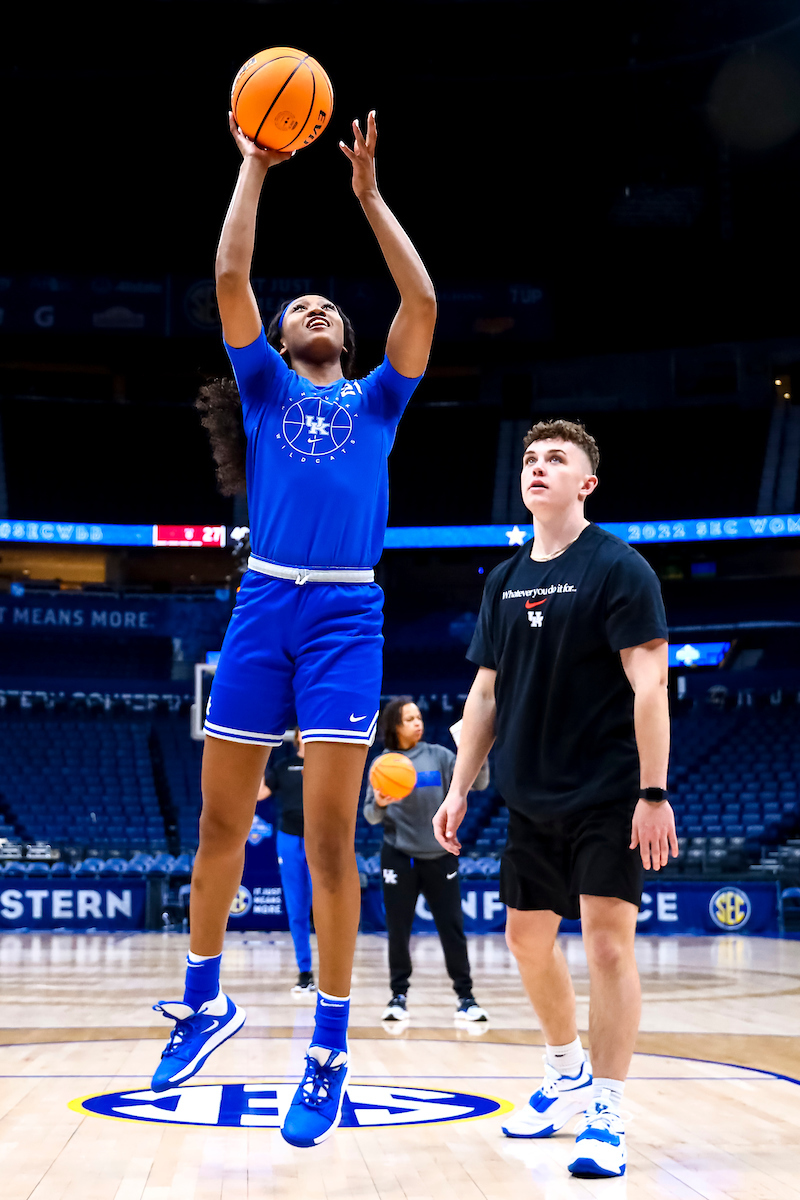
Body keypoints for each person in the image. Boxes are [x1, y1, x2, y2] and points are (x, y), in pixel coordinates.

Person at [151, 109, 436, 1150]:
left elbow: (422, 299)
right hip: (266, 603)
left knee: (326, 842)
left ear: (344, 341)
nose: (309, 307)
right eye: (297, 305)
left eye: (325, 305)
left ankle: (327, 1043)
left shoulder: (377, 401)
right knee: (221, 823)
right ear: (277, 341)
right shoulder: (265, 390)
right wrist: (254, 171)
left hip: (346, 614)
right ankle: (205, 998)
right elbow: (231, 279)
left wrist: (365, 197)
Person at [433, 419, 674, 1180]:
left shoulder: (620, 568)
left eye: (556, 459)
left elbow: (651, 683)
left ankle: (606, 1109)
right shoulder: (503, 581)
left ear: (586, 483)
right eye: (531, 458)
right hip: (529, 796)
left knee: (606, 944)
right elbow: (484, 694)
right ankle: (565, 1070)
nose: (539, 467)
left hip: (608, 791)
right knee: (526, 941)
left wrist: (654, 791)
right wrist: (458, 786)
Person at [364, 698, 490, 1023]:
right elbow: (370, 816)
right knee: (398, 930)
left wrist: (477, 753)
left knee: (452, 929)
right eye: (409, 719)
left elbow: (480, 783)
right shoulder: (382, 765)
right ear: (395, 726)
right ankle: (398, 997)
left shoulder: (440, 756)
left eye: (419, 717)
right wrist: (378, 802)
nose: (418, 722)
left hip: (439, 856)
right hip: (398, 856)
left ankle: (466, 998)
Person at [257, 729, 315, 995]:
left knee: (325, 908)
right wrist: (256, 754)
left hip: (320, 839)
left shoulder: (325, 765)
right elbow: (258, 793)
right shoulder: (283, 766)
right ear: (298, 738)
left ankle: (336, 974)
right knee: (297, 908)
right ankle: (305, 972)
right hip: (290, 839)